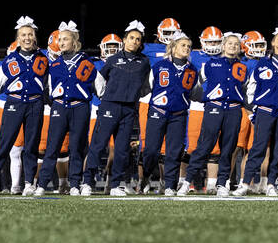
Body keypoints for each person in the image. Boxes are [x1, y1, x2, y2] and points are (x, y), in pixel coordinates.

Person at [0, 16, 48, 194]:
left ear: (34, 37)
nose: (27, 38)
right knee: (4, 144)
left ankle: (28, 183)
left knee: (31, 145)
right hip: (14, 104)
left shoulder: (43, 59)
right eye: (23, 35)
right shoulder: (9, 60)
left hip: (35, 104)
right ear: (18, 39)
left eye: (30, 35)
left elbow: (48, 84)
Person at [36, 22, 101, 197]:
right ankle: (42, 184)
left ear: (74, 42)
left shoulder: (87, 63)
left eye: (65, 39)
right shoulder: (54, 64)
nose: (61, 42)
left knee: (77, 148)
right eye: (60, 39)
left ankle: (74, 184)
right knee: (52, 147)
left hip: (80, 108)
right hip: (59, 107)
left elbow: (101, 88)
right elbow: (47, 90)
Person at [236, 28, 278, 195]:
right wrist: (253, 109)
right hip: (265, 110)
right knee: (258, 148)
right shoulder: (262, 62)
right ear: (272, 42)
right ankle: (245, 183)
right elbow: (252, 86)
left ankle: (271, 183)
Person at [89, 21, 149, 196]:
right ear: (125, 40)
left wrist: (134, 96)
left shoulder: (144, 62)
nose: (134, 41)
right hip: (110, 106)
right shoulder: (113, 59)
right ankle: (86, 182)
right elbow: (99, 79)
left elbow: (146, 85)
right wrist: (104, 96)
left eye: (138, 39)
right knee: (98, 145)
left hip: (129, 109)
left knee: (122, 149)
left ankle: (115, 185)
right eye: (131, 38)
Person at [183, 32, 247, 196]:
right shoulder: (210, 64)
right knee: (204, 145)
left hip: (234, 109)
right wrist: (203, 98)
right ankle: (186, 181)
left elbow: (245, 89)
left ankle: (222, 184)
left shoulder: (243, 67)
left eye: (236, 44)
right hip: (214, 107)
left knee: (228, 149)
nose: (233, 46)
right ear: (223, 45)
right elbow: (195, 85)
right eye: (230, 43)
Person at [143, 31, 199, 195]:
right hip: (158, 112)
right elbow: (146, 87)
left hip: (179, 114)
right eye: (183, 45)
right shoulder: (159, 66)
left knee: (174, 152)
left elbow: (195, 93)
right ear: (173, 47)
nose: (187, 48)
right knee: (151, 150)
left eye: (189, 46)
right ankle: (145, 176)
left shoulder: (192, 70)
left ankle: (169, 185)